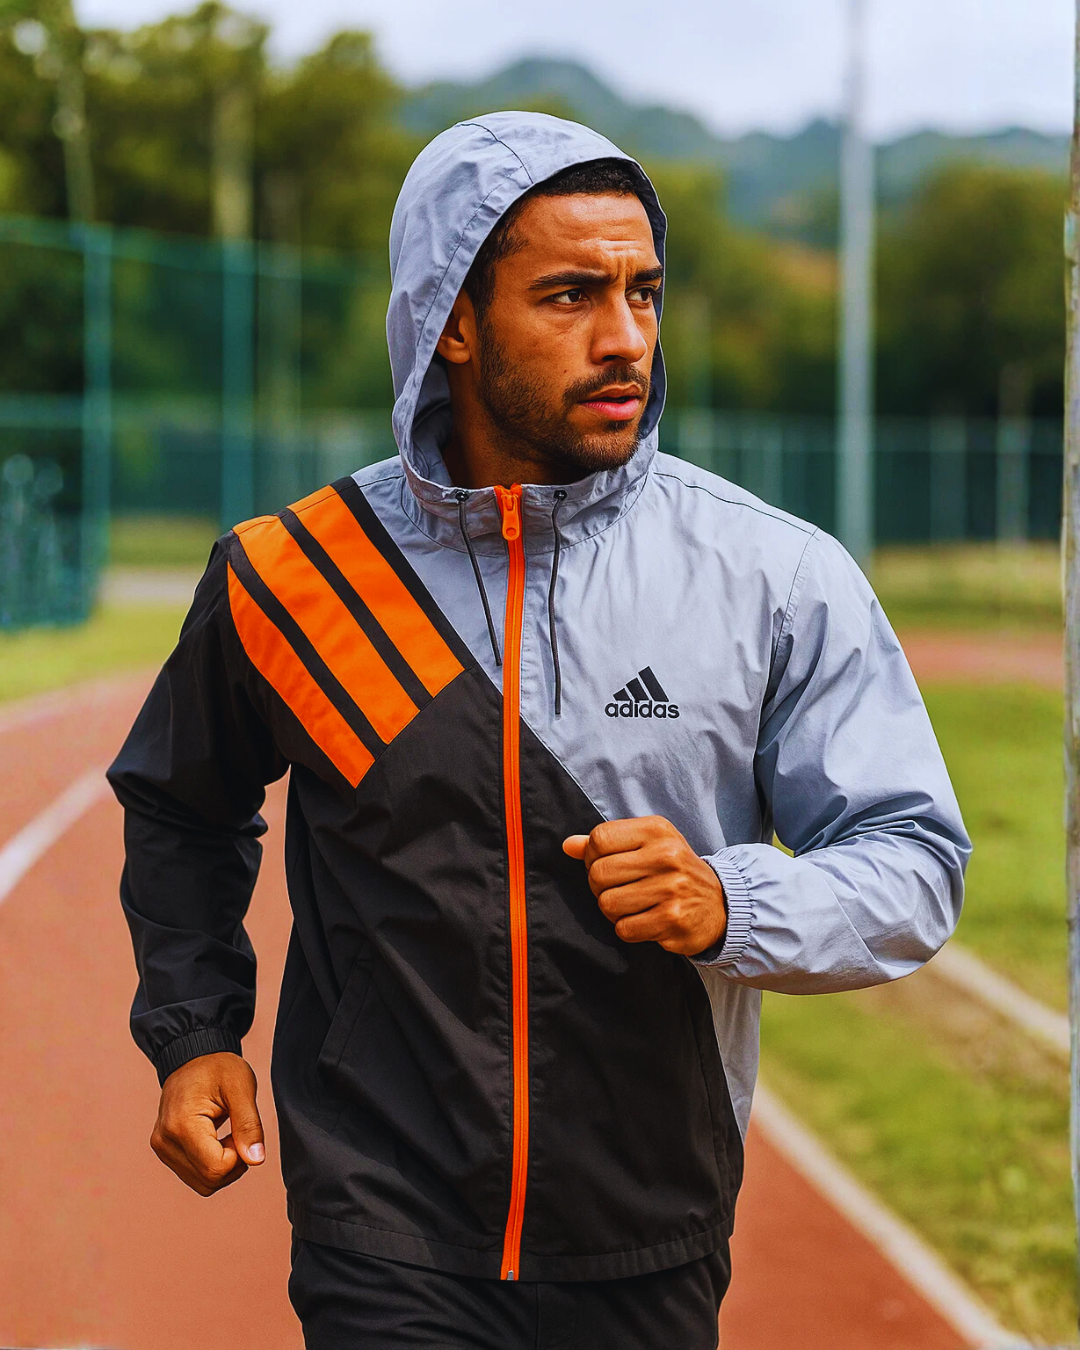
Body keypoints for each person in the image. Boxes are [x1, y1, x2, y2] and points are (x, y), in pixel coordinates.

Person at [109, 112, 970, 1349]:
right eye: (571, 295)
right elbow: (181, 804)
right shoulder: (295, 576)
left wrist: (732, 902)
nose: (626, 338)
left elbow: (913, 860)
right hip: (383, 1223)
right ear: (452, 321)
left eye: (643, 291)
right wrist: (193, 1031)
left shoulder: (775, 576)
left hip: (649, 1224)